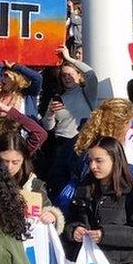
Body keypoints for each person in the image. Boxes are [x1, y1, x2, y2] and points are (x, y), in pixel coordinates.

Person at [42, 47, 98, 197]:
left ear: (79, 76)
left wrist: (70, 59)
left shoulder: (87, 92)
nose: (66, 78)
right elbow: (49, 126)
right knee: (58, 181)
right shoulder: (57, 97)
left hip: (81, 142)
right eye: (63, 75)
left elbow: (91, 74)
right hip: (60, 144)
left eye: (70, 74)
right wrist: (50, 113)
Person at [0, 131, 64, 231]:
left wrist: (52, 216)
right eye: (4, 161)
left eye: (15, 162)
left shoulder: (33, 184)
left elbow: (48, 208)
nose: (9, 167)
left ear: (23, 160)